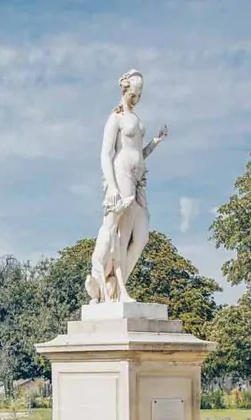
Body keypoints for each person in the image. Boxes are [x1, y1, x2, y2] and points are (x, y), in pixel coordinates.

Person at [86, 69, 169, 303]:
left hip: (138, 178)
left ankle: (119, 286)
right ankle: (120, 291)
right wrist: (111, 186)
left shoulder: (135, 119)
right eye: (134, 93)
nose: (137, 98)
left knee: (141, 238)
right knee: (119, 236)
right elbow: (105, 153)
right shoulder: (116, 117)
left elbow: (139, 154)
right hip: (121, 174)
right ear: (125, 90)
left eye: (140, 94)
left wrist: (156, 142)